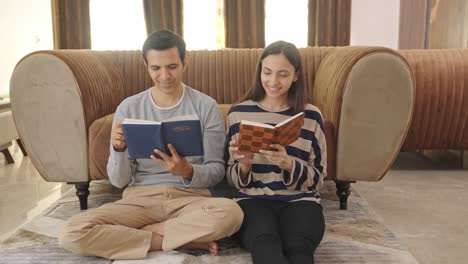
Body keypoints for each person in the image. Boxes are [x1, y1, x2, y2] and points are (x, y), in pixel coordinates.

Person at [59, 30, 243, 260]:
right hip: (140, 200)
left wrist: (187, 171)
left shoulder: (206, 106)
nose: (164, 75)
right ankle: (181, 238)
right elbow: (118, 181)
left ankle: (141, 236)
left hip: (191, 199)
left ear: (185, 62)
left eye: (172, 66)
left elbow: (216, 170)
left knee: (231, 214)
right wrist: (118, 150)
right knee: (72, 232)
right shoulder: (129, 108)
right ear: (146, 66)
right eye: (156, 68)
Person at [225, 40, 326, 264]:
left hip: (301, 201)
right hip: (252, 200)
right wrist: (244, 166)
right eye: (267, 72)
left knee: (298, 248)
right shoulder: (238, 114)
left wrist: (289, 164)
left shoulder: (311, 116)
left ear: (296, 75)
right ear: (260, 71)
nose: (273, 81)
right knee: (266, 245)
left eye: (282, 74)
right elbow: (231, 180)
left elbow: (318, 179)